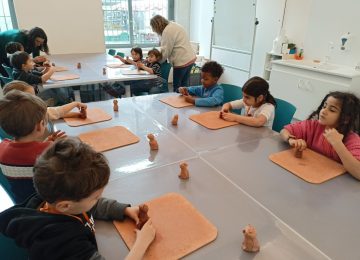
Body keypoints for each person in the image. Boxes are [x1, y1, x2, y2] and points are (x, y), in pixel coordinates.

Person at [0, 137, 156, 259]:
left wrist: (124, 210)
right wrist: (142, 243)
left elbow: (89, 205)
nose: (98, 199)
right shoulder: (62, 242)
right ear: (65, 206)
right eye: (95, 197)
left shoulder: (55, 199)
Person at [0, 90, 65, 203]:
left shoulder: (3, 147)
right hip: (47, 203)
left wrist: (46, 143)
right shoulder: (48, 151)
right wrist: (53, 145)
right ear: (40, 126)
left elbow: (25, 154)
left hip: (21, 202)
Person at [280, 91, 360, 180]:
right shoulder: (313, 125)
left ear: (346, 119)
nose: (323, 111)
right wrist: (291, 140)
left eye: (332, 110)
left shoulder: (353, 140)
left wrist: (338, 144)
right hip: (309, 175)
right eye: (324, 106)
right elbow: (284, 131)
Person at [150, 15, 196, 92]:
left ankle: (176, 102)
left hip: (182, 61)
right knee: (184, 85)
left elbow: (165, 52)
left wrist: (156, 62)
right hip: (190, 58)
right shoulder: (173, 25)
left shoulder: (167, 31)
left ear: (157, 26)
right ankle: (183, 102)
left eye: (154, 29)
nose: (154, 31)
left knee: (177, 87)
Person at [3, 80, 87, 120]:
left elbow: (54, 113)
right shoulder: (31, 115)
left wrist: (76, 114)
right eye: (31, 97)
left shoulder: (14, 115)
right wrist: (75, 104)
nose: (36, 98)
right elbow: (56, 112)